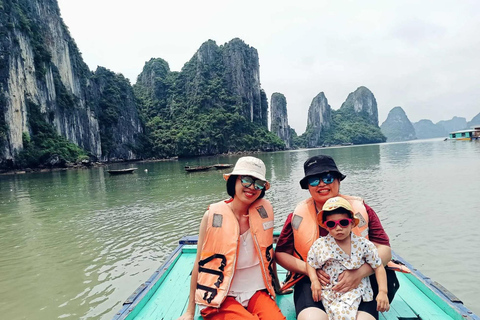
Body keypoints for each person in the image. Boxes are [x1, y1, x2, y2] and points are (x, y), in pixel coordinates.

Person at [275, 155, 398, 320]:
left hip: (361, 284)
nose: (321, 184)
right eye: (313, 180)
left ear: (338, 180)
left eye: (327, 177)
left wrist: (359, 273)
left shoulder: (362, 210)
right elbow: (281, 254)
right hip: (314, 283)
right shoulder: (297, 216)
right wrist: (312, 271)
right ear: (308, 187)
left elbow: (385, 250)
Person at [177, 156, 286, 320]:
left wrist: (277, 287)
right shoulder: (211, 217)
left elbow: (269, 253)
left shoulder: (263, 214)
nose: (252, 187)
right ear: (234, 181)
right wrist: (189, 312)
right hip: (220, 293)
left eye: (258, 183)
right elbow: (198, 262)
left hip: (256, 290)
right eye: (247, 180)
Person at [306, 197, 390, 320]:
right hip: (330, 291)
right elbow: (311, 263)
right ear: (326, 226)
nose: (338, 228)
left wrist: (383, 292)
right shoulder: (320, 245)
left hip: (357, 290)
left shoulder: (364, 245)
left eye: (343, 223)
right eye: (332, 224)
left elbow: (378, 266)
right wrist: (314, 281)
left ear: (351, 223)